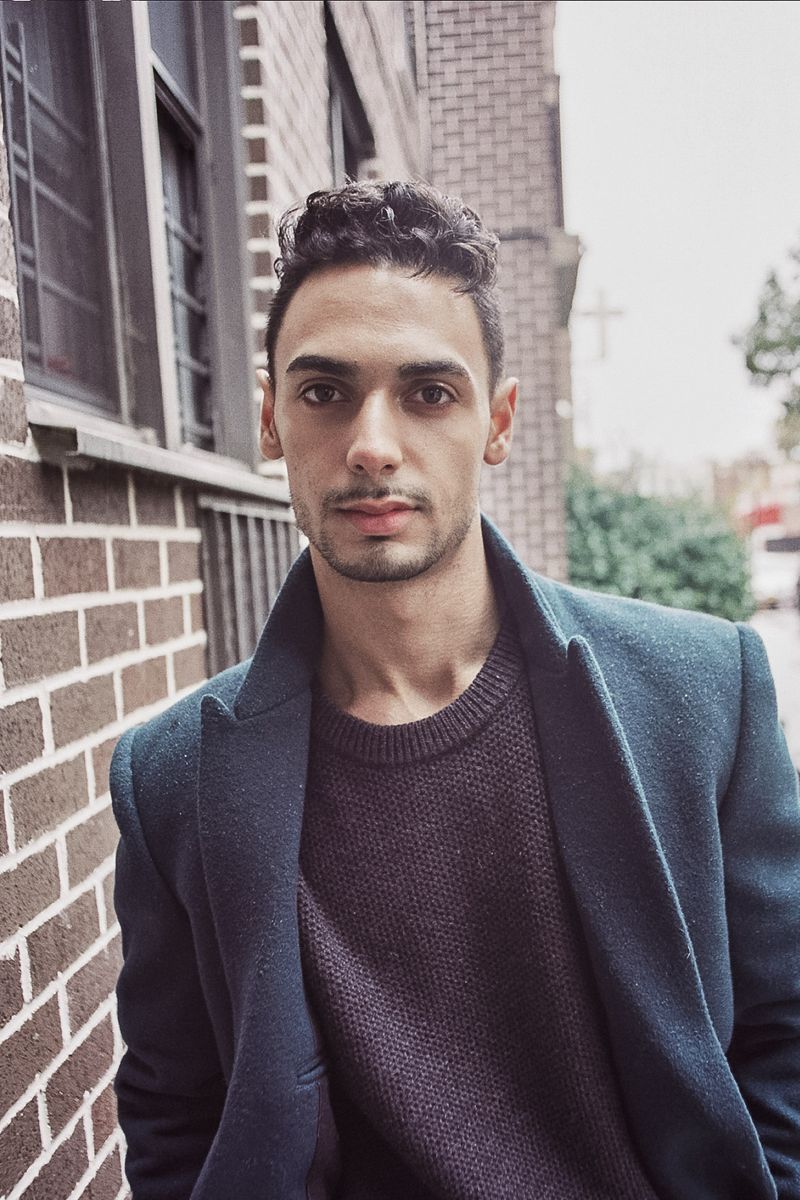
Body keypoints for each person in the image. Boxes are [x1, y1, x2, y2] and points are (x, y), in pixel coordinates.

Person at [111, 181, 800, 1200]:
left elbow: (783, 1031)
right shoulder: (173, 775)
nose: (373, 444)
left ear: (497, 420)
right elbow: (176, 1111)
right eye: (324, 392)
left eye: (428, 393)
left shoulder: (700, 693)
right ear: (269, 420)